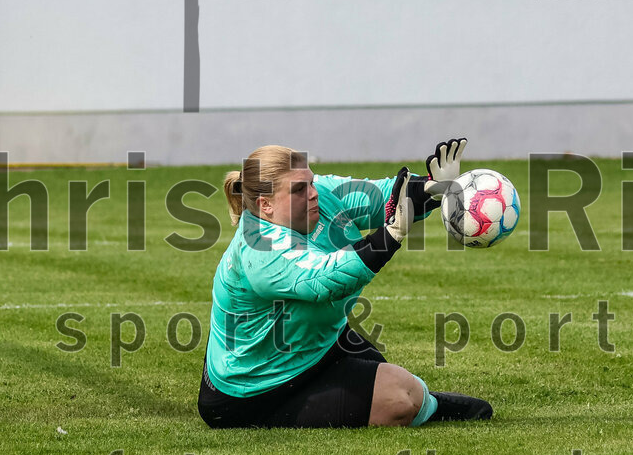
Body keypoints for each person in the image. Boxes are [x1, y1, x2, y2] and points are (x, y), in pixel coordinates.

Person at [197, 139, 493, 429]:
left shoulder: (317, 195)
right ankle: (432, 405)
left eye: (310, 182)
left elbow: (378, 197)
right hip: (254, 388)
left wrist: (430, 188)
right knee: (400, 399)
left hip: (319, 343)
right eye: (299, 189)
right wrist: (390, 236)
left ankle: (425, 402)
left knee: (400, 387)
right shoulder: (258, 248)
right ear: (266, 205)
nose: (312, 193)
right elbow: (325, 279)